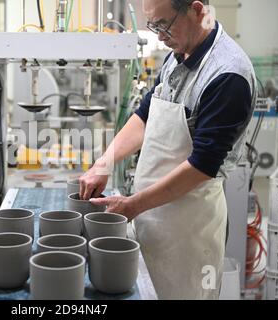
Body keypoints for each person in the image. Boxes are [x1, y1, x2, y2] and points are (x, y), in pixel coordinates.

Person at [80, 0, 257, 299]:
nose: (159, 35)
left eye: (164, 24)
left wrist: (133, 205)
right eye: (153, 25)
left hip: (188, 232)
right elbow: (146, 115)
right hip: (151, 215)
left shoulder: (228, 75)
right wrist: (104, 163)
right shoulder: (178, 53)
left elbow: (202, 165)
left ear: (197, 10)